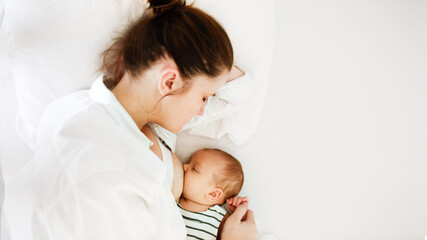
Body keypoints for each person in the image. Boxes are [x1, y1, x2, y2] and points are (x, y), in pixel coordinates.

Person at [0, 0, 257, 239]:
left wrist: (179, 38)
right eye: (203, 97)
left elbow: (237, 91)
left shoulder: (124, 118)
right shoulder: (111, 179)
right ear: (168, 82)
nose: (203, 109)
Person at [178, 148, 249, 240]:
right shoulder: (173, 197)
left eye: (194, 169)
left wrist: (237, 214)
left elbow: (238, 232)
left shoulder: (220, 219)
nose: (184, 166)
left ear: (213, 194)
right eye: (188, 162)